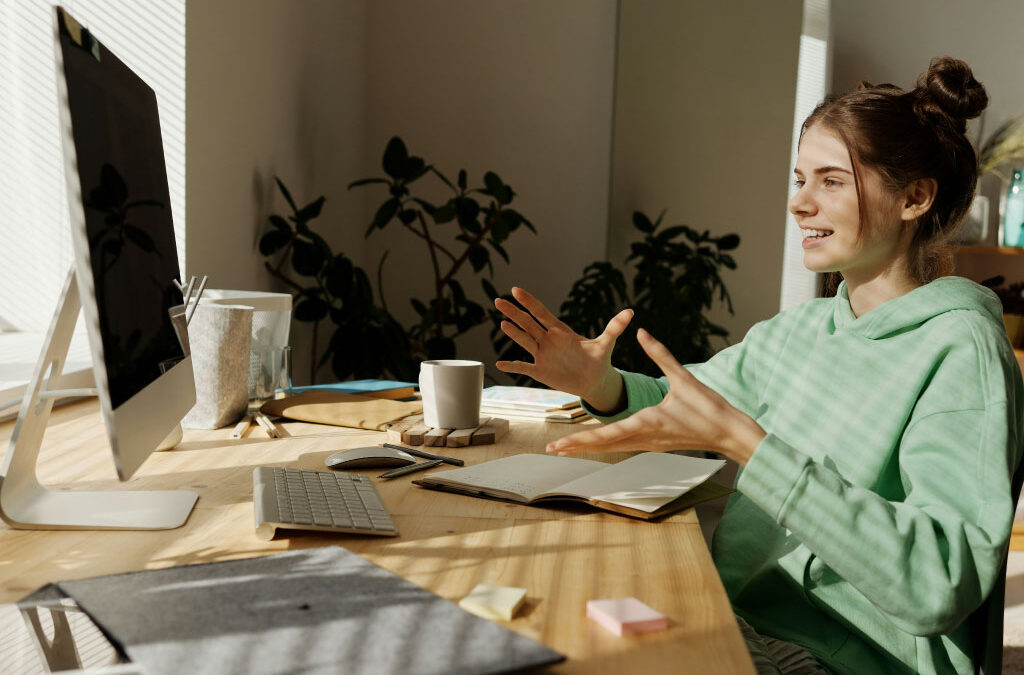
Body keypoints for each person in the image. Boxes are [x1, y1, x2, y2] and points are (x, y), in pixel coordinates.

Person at [493, 57, 1024, 675]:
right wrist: (600, 383)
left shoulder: (962, 349)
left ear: (914, 197)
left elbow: (939, 581)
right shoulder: (798, 331)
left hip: (840, 658)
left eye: (830, 181)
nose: (798, 204)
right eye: (799, 179)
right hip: (740, 617)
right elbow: (685, 407)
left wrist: (749, 445)